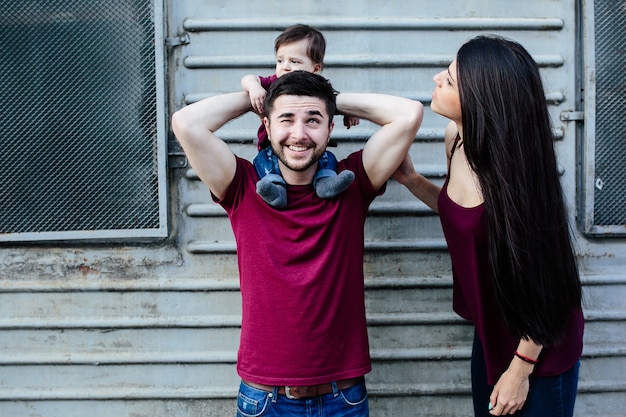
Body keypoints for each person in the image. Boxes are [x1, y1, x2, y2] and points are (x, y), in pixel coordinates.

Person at [172, 70, 423, 416]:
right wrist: (260, 96)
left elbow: (409, 114)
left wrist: (331, 100)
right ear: (268, 126)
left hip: (343, 398)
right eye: (286, 119)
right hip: (265, 400)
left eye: (314, 120)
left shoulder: (352, 184)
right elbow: (185, 123)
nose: (299, 134)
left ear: (331, 128)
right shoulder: (242, 185)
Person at [393, 35, 584, 417]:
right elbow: (464, 216)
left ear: (479, 98)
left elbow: (550, 287)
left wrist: (520, 370)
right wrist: (412, 180)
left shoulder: (517, 180)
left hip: (537, 346)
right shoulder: (456, 140)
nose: (435, 79)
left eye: (448, 79)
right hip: (491, 334)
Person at [241, 24, 358, 208]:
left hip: (311, 152)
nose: (285, 67)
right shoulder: (274, 83)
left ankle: (326, 182)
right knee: (264, 161)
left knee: (327, 159)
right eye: (280, 61)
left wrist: (348, 112)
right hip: (272, 148)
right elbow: (248, 78)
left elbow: (333, 102)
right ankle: (274, 187)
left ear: (315, 68)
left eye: (294, 61)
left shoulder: (318, 88)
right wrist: (254, 89)